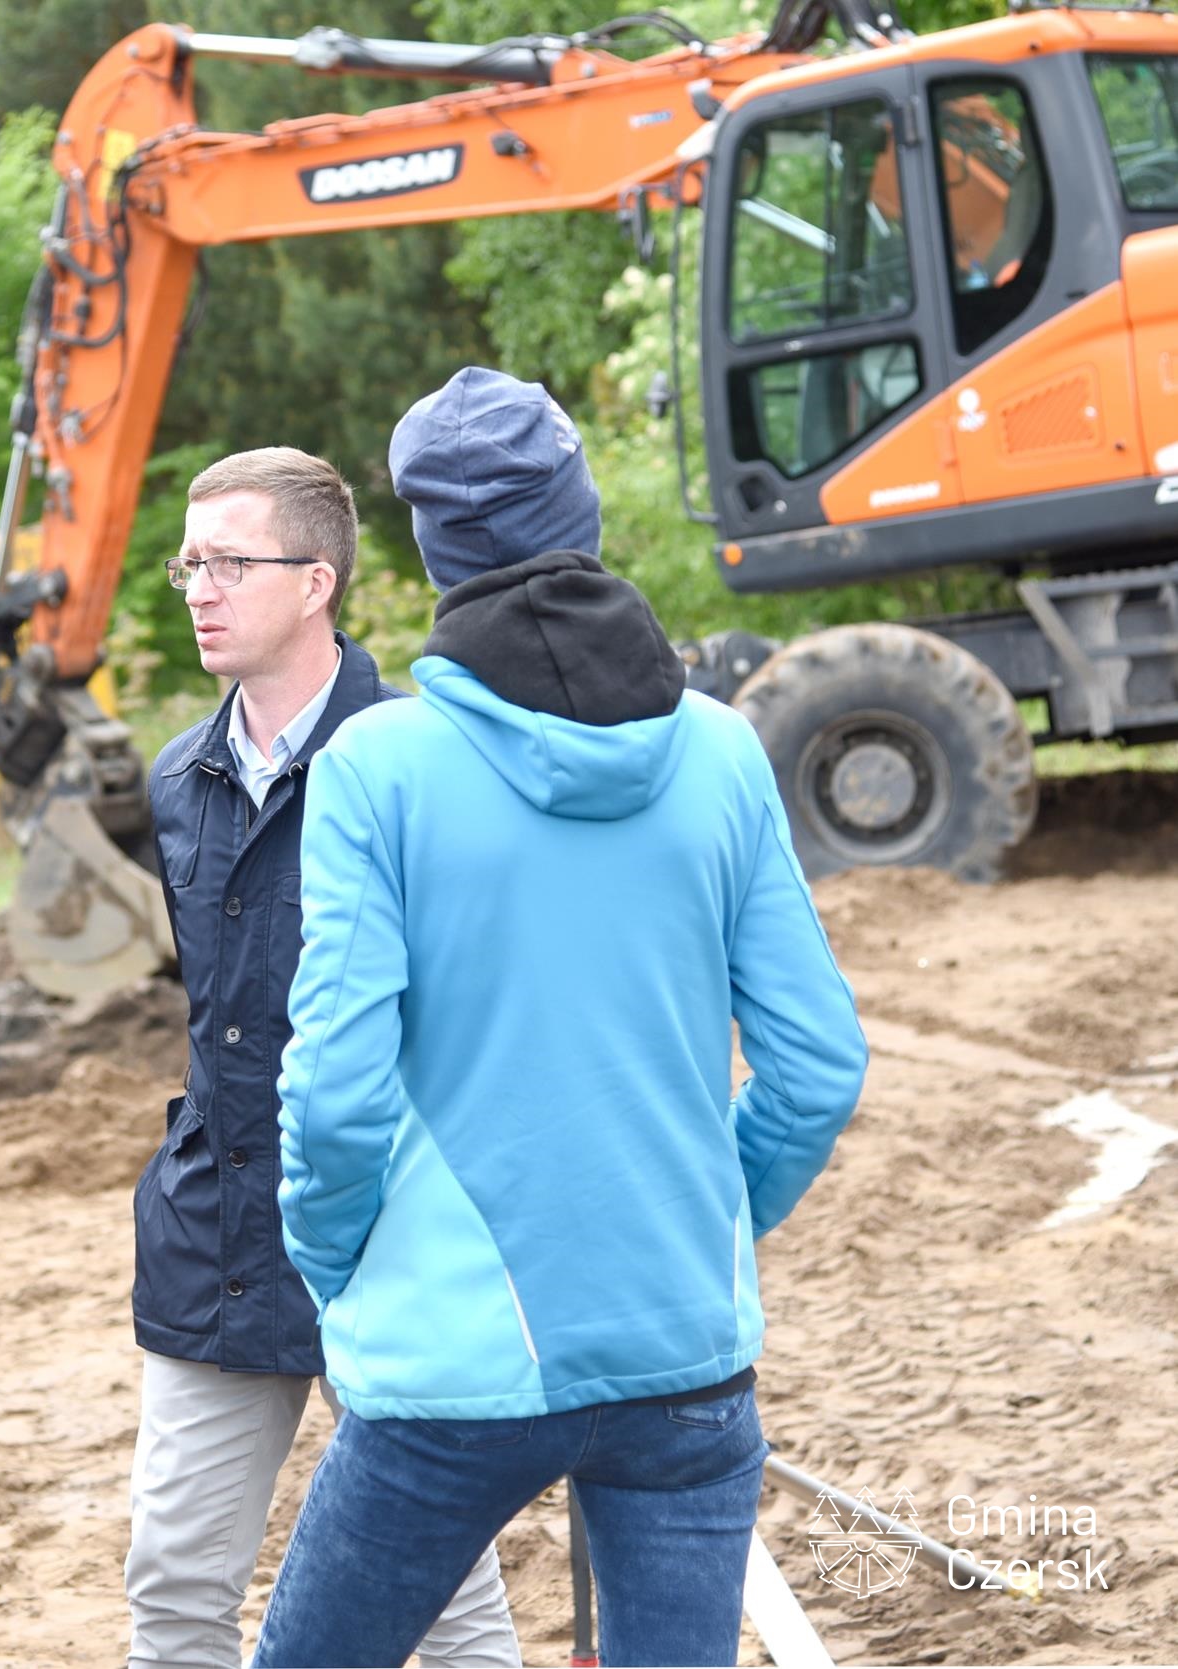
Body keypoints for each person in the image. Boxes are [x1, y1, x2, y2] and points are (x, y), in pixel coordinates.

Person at [255, 369, 870, 1667]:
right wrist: (709, 1217)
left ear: (430, 548)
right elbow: (817, 1064)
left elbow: (336, 1090)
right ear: (581, 512)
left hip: (449, 1363)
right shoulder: (719, 750)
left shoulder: (375, 767)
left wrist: (338, 1262)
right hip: (684, 1353)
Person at [127, 447, 518, 1669]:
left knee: (444, 1597)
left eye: (230, 563)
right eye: (190, 562)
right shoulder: (178, 780)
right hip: (221, 1241)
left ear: (317, 581)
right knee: (174, 1587)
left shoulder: (423, 763)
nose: (200, 587)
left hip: (398, 1245)